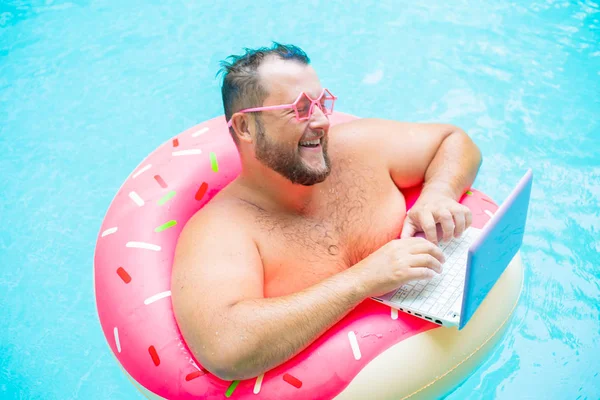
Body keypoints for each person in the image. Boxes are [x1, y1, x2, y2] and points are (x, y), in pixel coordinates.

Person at [171, 43, 482, 381]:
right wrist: (364, 279)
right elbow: (226, 349)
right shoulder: (221, 230)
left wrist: (438, 193)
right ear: (246, 127)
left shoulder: (361, 148)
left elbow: (453, 140)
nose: (321, 121)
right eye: (299, 109)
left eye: (321, 102)